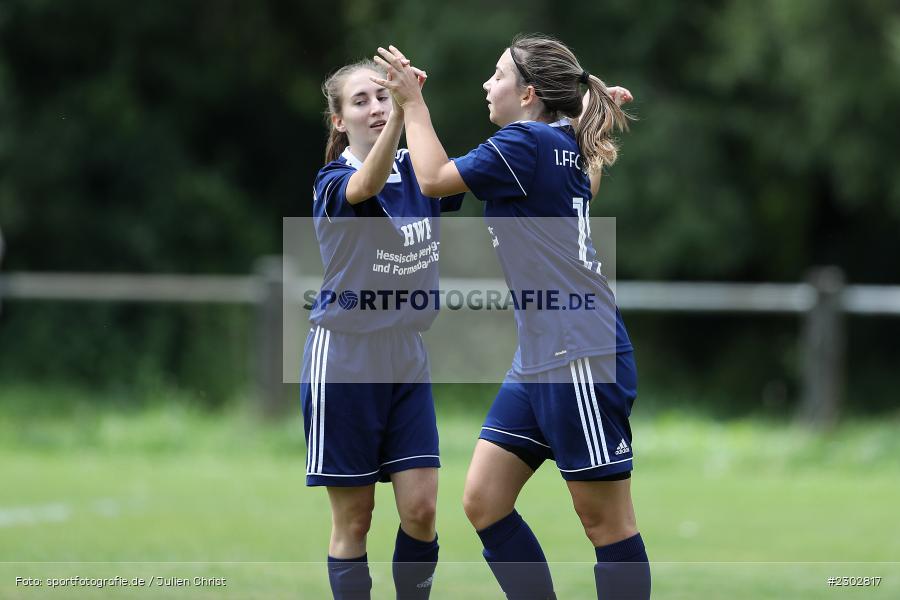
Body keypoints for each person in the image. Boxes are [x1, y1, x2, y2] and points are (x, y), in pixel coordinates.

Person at [373, 35, 650, 600]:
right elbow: (586, 179)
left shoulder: (524, 142)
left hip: (580, 350)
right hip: (542, 355)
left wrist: (412, 105)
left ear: (527, 94)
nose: (486, 84)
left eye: (497, 76)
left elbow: (432, 179)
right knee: (484, 501)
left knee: (607, 525)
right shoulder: (553, 142)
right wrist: (591, 116)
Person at [305, 58, 463, 600]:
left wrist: (414, 107)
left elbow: (448, 176)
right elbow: (364, 186)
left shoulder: (421, 171)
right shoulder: (333, 179)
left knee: (420, 511)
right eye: (361, 101)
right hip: (345, 356)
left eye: (381, 96)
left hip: (405, 355)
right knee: (356, 519)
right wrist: (399, 112)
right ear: (337, 120)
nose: (374, 108)